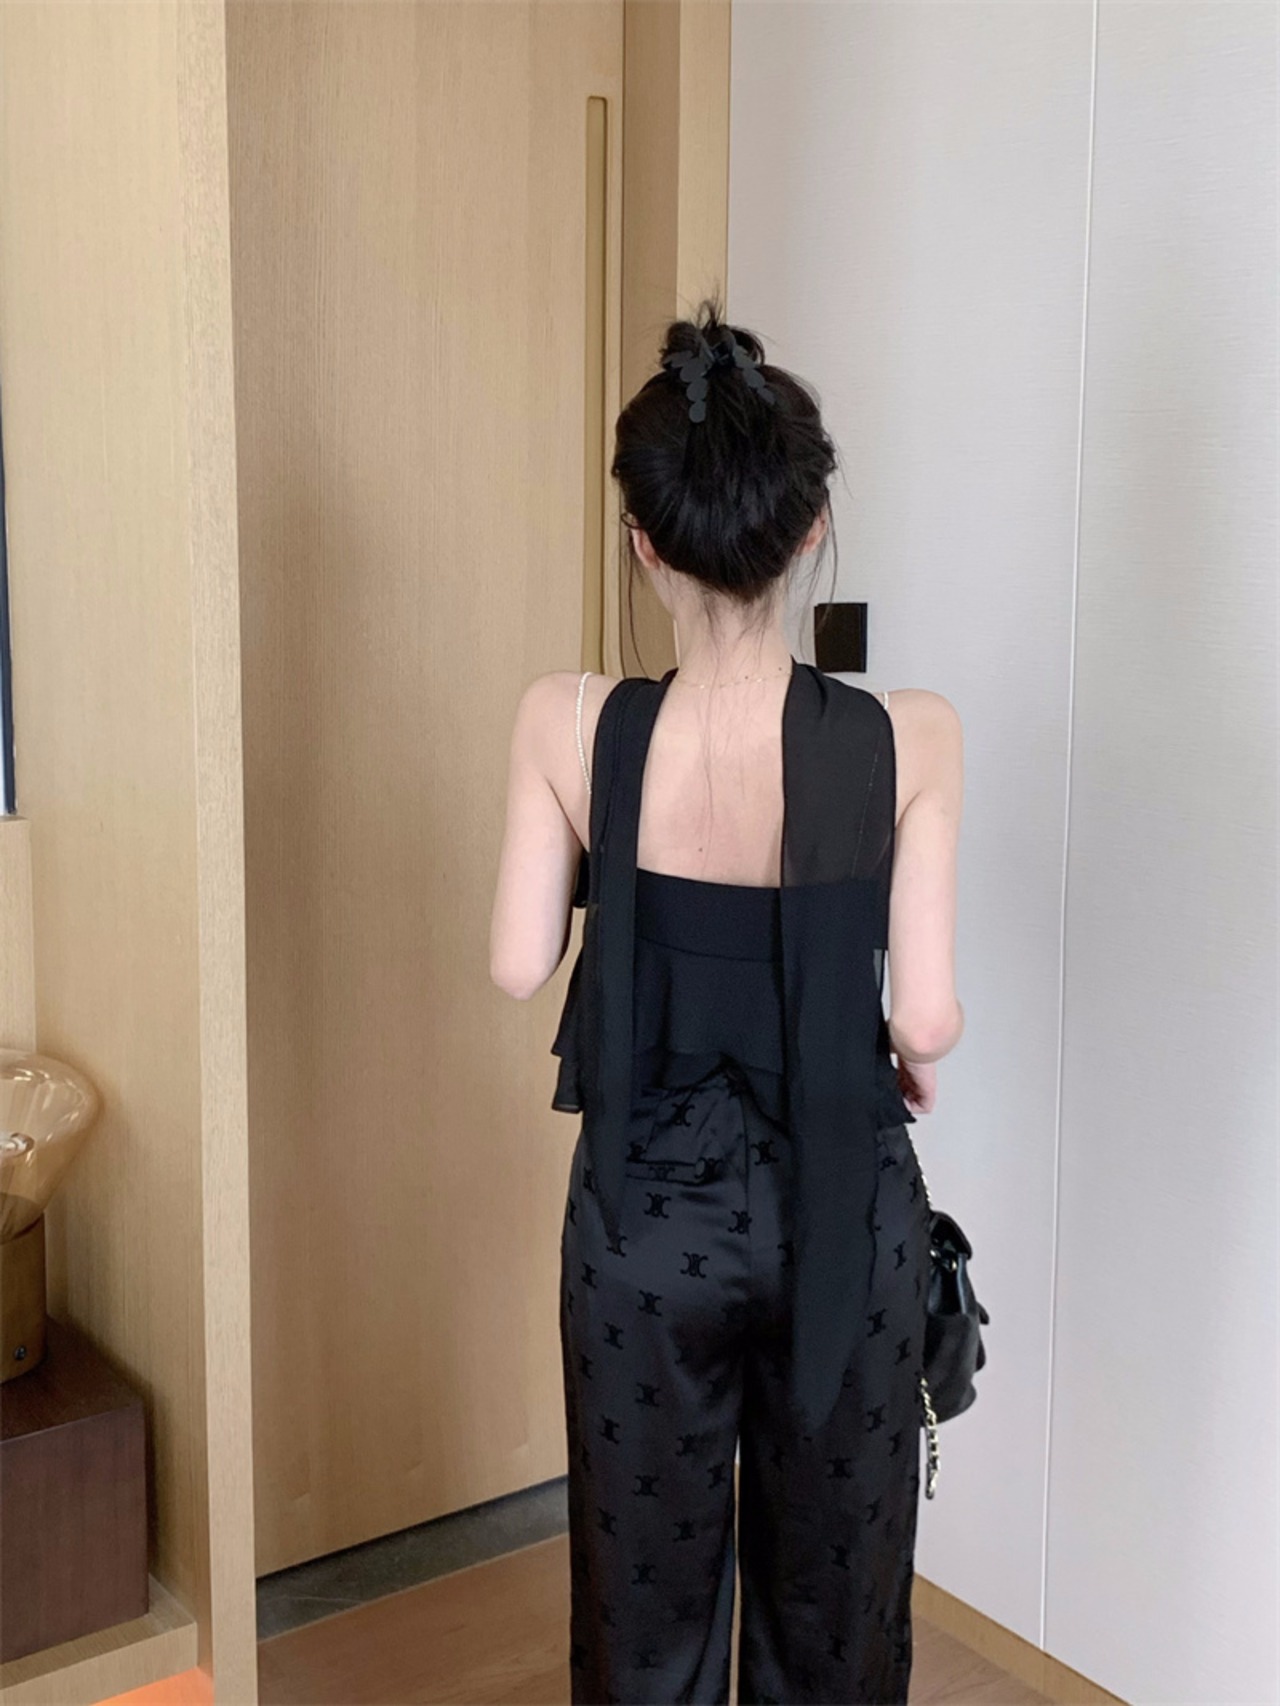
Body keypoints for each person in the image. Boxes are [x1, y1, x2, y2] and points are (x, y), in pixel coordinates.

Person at [490, 295, 964, 1705]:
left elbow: (519, 960)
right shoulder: (909, 736)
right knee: (834, 1620)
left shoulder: (567, 719)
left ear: (644, 540)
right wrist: (897, 1047)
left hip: (644, 1223)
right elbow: (924, 1020)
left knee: (646, 1617)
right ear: (811, 527)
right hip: (843, 1217)